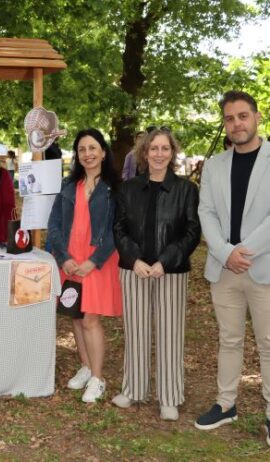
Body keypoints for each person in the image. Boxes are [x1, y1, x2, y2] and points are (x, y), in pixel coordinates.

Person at [196, 91, 270, 443]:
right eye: (229, 118)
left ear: (257, 117)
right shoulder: (214, 166)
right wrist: (226, 253)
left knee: (268, 342)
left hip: (264, 266)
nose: (236, 123)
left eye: (243, 116)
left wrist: (244, 252)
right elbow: (206, 212)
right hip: (224, 268)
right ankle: (226, 404)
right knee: (229, 339)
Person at [113, 127, 201, 421]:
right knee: (136, 331)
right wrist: (134, 259)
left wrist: (166, 261)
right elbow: (119, 228)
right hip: (134, 270)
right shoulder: (128, 188)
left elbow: (192, 231)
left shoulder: (186, 190)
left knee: (170, 333)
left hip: (171, 271)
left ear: (172, 153)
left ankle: (169, 397)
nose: (159, 154)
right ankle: (133, 389)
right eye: (154, 148)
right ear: (144, 152)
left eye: (165, 148)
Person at [48, 128, 122, 403]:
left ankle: (98, 378)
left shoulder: (115, 188)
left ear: (103, 152)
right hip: (70, 260)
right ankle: (86, 366)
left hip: (97, 262)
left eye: (92, 148)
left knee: (90, 318)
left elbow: (117, 229)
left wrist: (94, 261)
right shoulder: (69, 186)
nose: (87, 154)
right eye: (82, 149)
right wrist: (63, 258)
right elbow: (54, 224)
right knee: (76, 315)